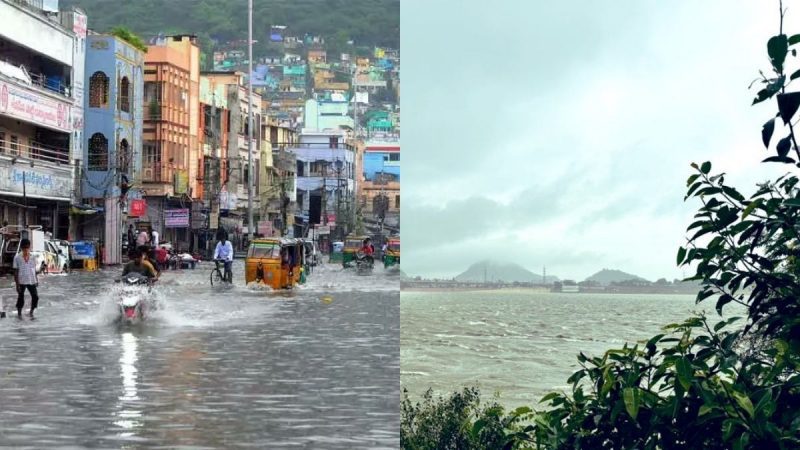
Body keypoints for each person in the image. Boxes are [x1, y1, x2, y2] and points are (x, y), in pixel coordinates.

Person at [13, 239, 39, 319]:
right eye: (24, 248)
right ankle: (19, 314)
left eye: (27, 248)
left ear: (29, 247)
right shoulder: (17, 257)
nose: (26, 250)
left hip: (31, 280)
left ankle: (31, 312)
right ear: (21, 248)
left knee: (35, 297)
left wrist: (36, 280)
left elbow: (34, 269)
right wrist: (17, 285)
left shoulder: (33, 257)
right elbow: (16, 272)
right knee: (21, 297)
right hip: (21, 280)